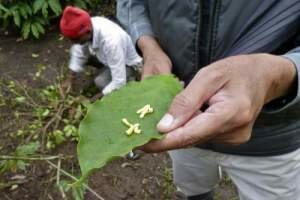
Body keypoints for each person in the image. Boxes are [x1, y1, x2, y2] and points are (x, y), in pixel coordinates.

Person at [117, 1, 300, 200]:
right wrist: (149, 44)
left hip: (270, 137)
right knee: (191, 187)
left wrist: (279, 76)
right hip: (178, 122)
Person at [60, 6, 142, 96]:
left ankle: (131, 84)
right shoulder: (87, 25)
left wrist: (97, 100)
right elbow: (78, 53)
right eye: (71, 39)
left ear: (87, 32)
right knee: (81, 51)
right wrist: (70, 78)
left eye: (75, 39)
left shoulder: (112, 42)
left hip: (129, 64)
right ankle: (106, 70)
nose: (73, 42)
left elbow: (119, 81)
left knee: (100, 81)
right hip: (110, 57)